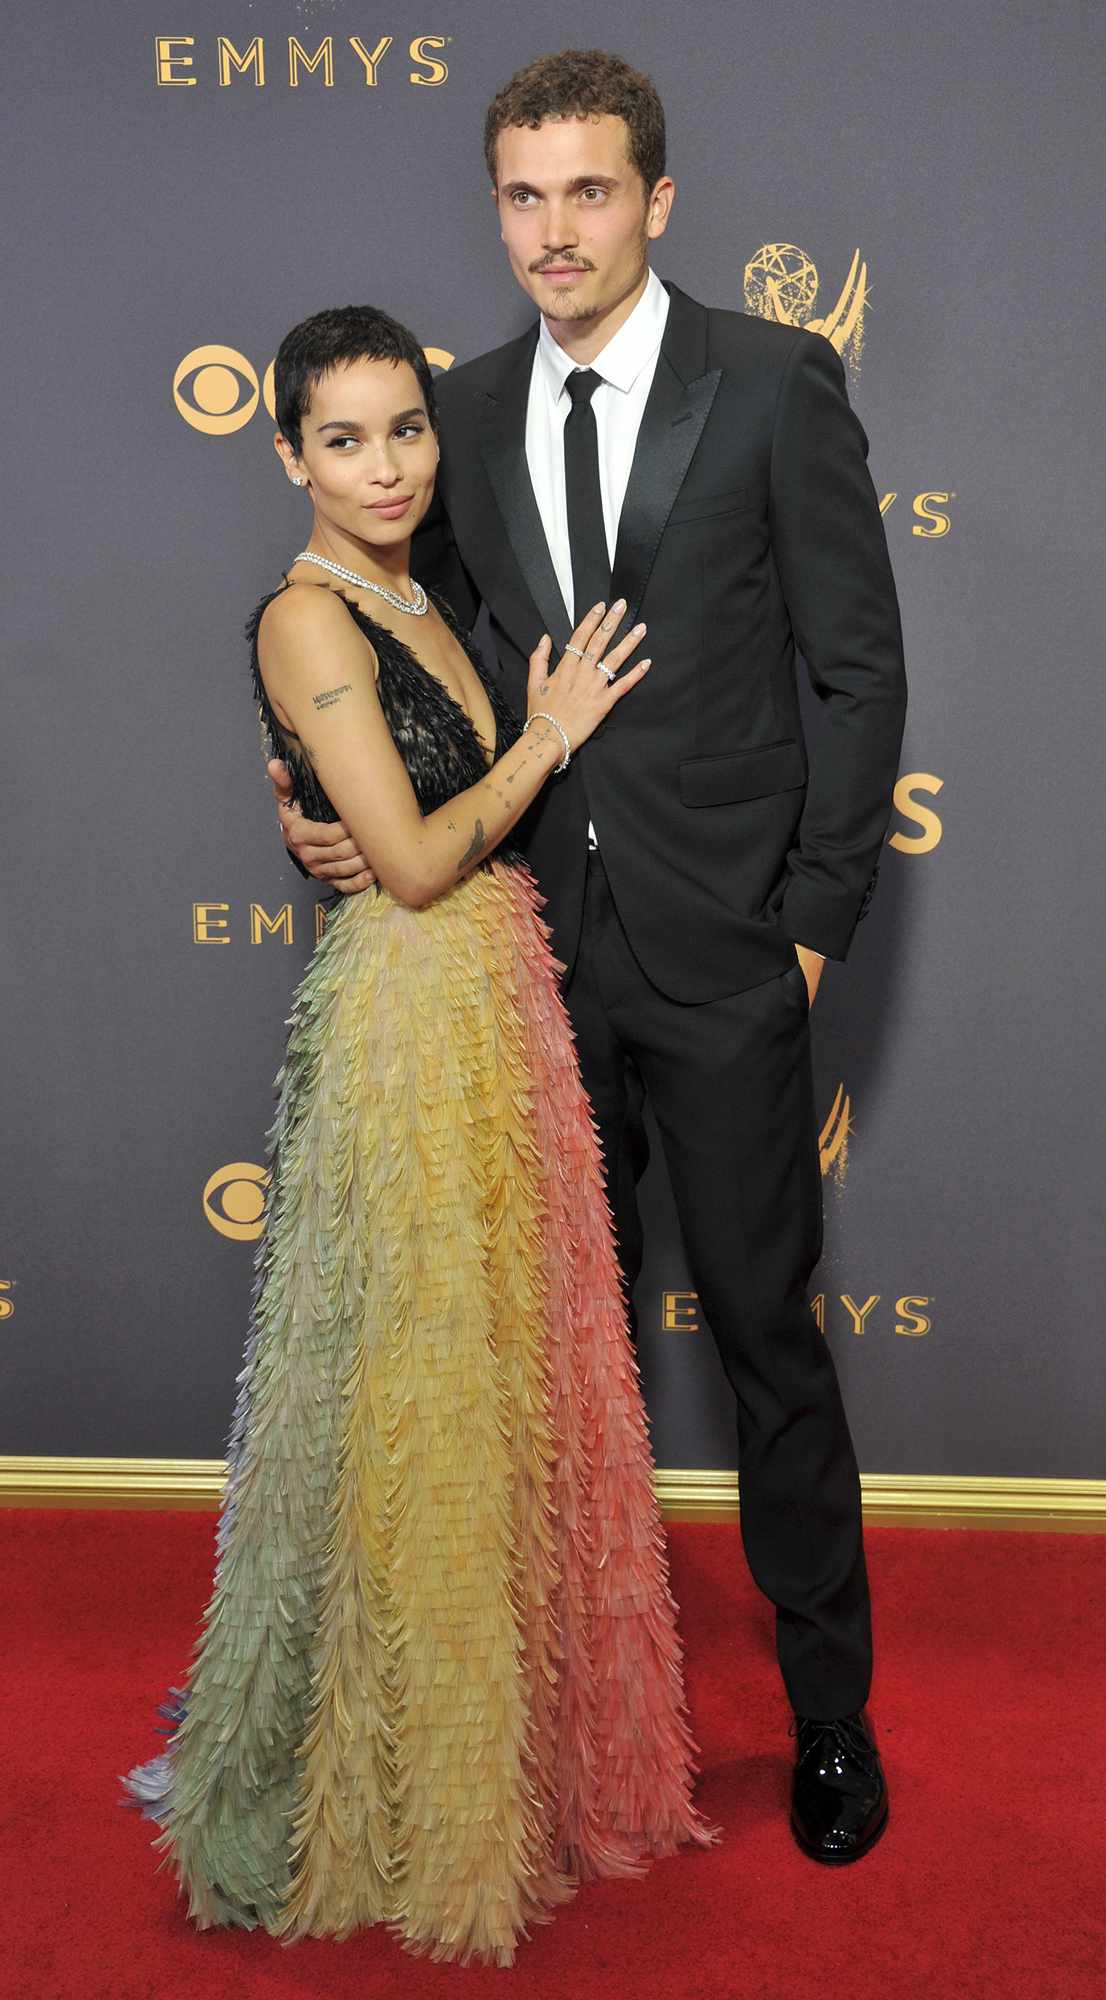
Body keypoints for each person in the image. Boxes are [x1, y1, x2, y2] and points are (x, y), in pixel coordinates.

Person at [275, 50, 908, 1866]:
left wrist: (808, 931)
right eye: (523, 198)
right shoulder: (456, 412)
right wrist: (322, 819)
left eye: (589, 193)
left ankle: (829, 1720)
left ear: (657, 200)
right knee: (557, 1358)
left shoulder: (778, 386)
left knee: (772, 1346)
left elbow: (855, 675)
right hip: (524, 961)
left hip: (725, 962)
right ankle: (566, 1722)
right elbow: (437, 675)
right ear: (498, 210)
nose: (554, 232)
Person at [121, 303, 718, 1966]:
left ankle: (510, 1756)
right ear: (286, 451)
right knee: (421, 1411)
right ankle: (396, 1792)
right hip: (409, 1020)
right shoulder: (309, 618)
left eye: (405, 431)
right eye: (344, 439)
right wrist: (547, 734)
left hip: (494, 1012)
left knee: (496, 1393)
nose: (383, 466)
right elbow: (409, 860)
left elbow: (395, 821)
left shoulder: (411, 587)